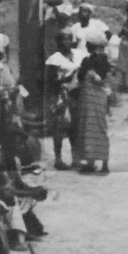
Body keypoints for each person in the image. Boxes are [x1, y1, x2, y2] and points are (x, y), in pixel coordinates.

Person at [73, 23, 112, 175]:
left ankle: (90, 162)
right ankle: (104, 164)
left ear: (90, 45)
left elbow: (81, 77)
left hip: (89, 100)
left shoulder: (87, 61)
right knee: (100, 127)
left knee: (88, 128)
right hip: (100, 99)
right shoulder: (104, 61)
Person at [44, 30, 80, 170]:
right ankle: (58, 159)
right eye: (63, 39)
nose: (66, 42)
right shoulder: (54, 59)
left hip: (76, 96)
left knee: (74, 128)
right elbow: (49, 81)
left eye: (68, 39)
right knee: (59, 127)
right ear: (58, 42)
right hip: (60, 96)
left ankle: (75, 158)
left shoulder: (78, 54)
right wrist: (65, 80)